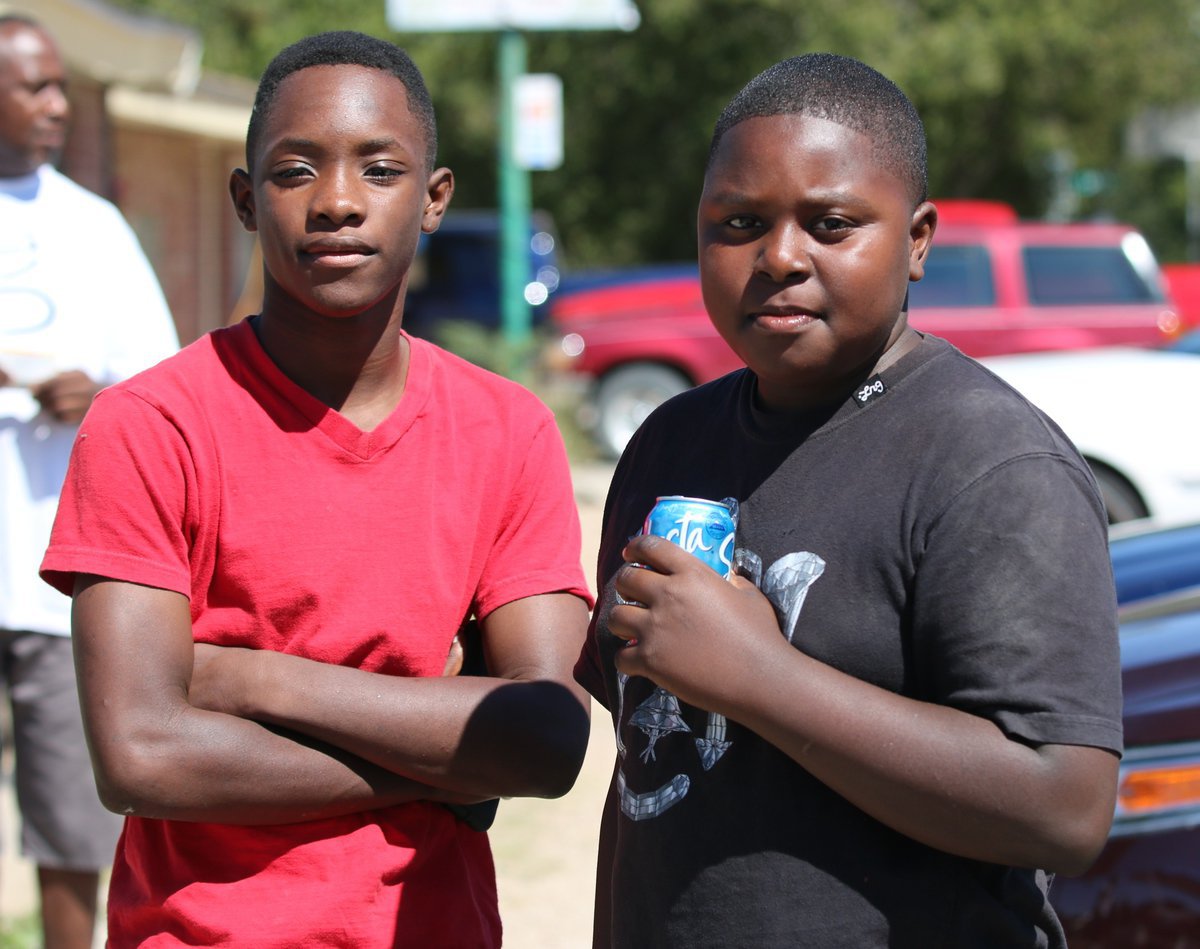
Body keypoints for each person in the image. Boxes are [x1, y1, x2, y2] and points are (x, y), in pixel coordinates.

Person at [40, 30, 592, 948]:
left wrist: (248, 678)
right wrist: (446, 765)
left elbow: (545, 737)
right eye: (296, 171)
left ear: (434, 199)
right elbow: (141, 754)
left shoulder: (508, 430)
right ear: (246, 200)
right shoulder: (150, 424)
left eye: (380, 169)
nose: (337, 201)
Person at [574, 53, 1122, 948]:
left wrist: (759, 675)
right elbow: (645, 762)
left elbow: (1063, 806)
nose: (780, 257)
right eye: (739, 224)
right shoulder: (669, 443)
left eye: (830, 225)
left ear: (917, 240)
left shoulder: (991, 461)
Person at [0, 15, 179, 949]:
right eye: (34, 87)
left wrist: (94, 393)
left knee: (70, 821)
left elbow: (161, 386)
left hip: (44, 576)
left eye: (59, 86)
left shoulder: (92, 226)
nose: (57, 106)